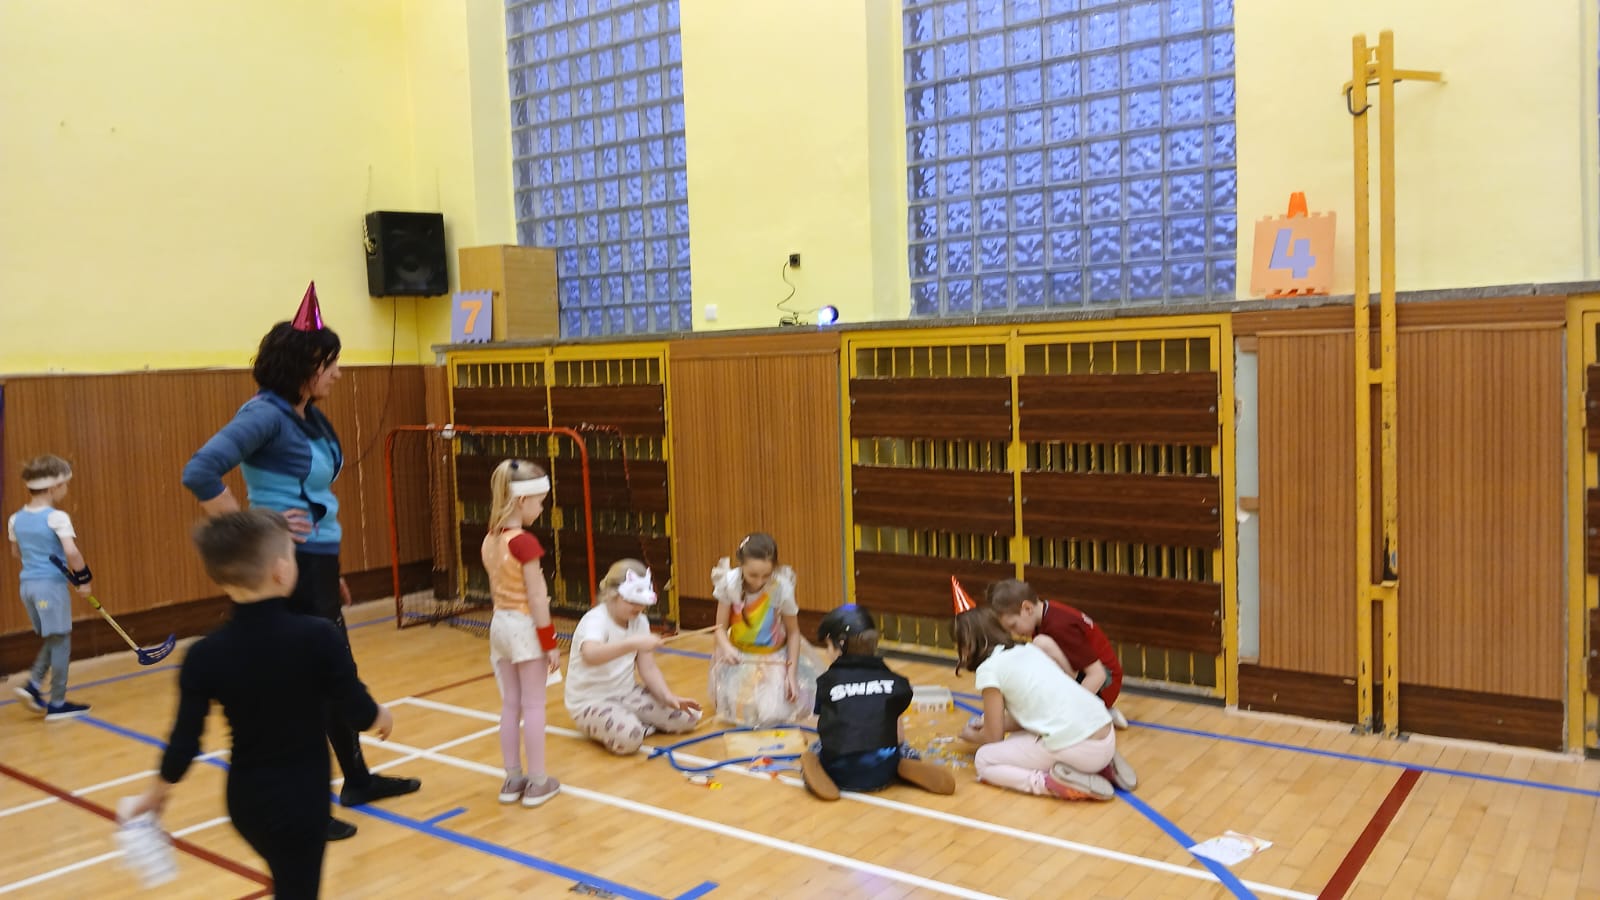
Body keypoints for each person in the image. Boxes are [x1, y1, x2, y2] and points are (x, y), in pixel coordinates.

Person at [180, 282, 418, 840]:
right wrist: (255, 530)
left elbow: (315, 497)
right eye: (330, 364)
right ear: (305, 367)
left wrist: (333, 574)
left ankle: (356, 780)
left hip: (315, 565)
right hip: (289, 567)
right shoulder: (264, 415)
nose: (339, 373)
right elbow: (200, 471)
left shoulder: (308, 415)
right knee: (313, 682)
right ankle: (309, 804)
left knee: (332, 674)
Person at [124, 510, 396, 900]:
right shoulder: (318, 637)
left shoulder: (204, 654)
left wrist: (157, 793)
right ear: (282, 571)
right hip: (301, 800)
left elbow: (184, 741)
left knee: (288, 880)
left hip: (246, 802)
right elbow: (357, 711)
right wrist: (381, 715)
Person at [953, 607, 1136, 801]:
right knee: (1017, 739)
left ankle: (1048, 783)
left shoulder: (988, 669)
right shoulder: (1028, 650)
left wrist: (972, 736)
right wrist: (991, 723)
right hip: (1105, 735)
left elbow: (993, 737)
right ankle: (1102, 767)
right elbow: (1028, 717)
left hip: (1083, 750)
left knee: (984, 759)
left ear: (968, 645)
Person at [800, 604, 956, 801]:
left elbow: (826, 728)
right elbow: (898, 736)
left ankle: (815, 767)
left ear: (840, 646)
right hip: (884, 769)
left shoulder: (827, 682)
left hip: (841, 771)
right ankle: (903, 764)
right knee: (901, 747)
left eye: (828, 646)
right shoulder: (894, 680)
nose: (827, 652)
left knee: (815, 749)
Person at [481, 458, 561, 808]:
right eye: (540, 502)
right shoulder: (524, 543)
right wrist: (550, 642)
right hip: (525, 628)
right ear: (522, 501)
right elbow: (537, 598)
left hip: (499, 625)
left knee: (511, 704)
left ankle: (512, 778)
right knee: (534, 704)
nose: (542, 509)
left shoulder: (490, 539)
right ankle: (539, 781)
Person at [564, 559, 701, 754]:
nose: (638, 608)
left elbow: (648, 668)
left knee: (689, 717)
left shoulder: (640, 621)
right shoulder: (596, 619)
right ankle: (627, 723)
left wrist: (668, 697)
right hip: (591, 701)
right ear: (612, 595)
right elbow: (591, 654)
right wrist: (633, 643)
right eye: (631, 601)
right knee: (631, 737)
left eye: (641, 603)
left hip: (627, 693)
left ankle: (629, 718)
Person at [8, 454, 93, 719]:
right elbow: (71, 551)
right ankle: (57, 702)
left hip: (27, 587)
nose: (66, 489)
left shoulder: (15, 519)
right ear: (55, 486)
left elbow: (16, 552)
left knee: (55, 637)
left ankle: (33, 686)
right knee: (61, 641)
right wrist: (84, 578)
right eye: (65, 484)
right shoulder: (57, 517)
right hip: (50, 587)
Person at [708, 532, 820, 726]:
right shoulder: (729, 583)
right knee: (739, 714)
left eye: (766, 576)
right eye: (753, 575)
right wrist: (726, 648)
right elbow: (720, 628)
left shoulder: (781, 587)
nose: (759, 582)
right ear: (741, 565)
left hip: (773, 656)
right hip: (738, 656)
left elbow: (793, 633)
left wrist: (791, 675)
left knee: (773, 714)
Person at [988, 578, 1129, 729]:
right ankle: (1097, 711)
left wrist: (1071, 710)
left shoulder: (1059, 626)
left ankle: (1095, 710)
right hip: (1094, 679)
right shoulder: (1044, 615)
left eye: (1013, 625)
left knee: (1041, 646)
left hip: (1105, 683)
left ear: (1027, 608)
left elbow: (1098, 675)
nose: (1014, 633)